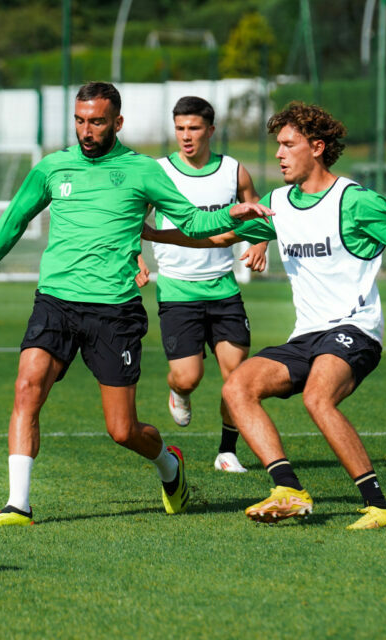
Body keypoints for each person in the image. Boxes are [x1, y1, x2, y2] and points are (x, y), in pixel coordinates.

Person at [0, 82, 272, 528]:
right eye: (79, 121)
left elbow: (191, 221)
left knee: (122, 430)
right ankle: (18, 505)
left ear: (118, 123)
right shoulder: (53, 168)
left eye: (97, 122)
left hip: (115, 312)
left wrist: (232, 215)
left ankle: (169, 465)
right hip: (55, 302)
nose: (86, 131)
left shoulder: (143, 171)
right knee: (28, 388)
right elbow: (14, 221)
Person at [144, 101, 386, 530]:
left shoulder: (352, 200)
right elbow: (221, 237)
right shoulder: (279, 202)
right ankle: (288, 489)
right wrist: (151, 234)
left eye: (288, 145)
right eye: (277, 145)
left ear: (317, 147)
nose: (278, 154)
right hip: (308, 336)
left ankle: (379, 507)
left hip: (354, 329)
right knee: (237, 387)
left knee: (318, 397)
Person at [135, 95, 269, 474]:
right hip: (178, 292)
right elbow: (133, 218)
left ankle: (227, 452)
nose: (186, 136)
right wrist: (136, 257)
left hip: (224, 289)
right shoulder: (158, 172)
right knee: (189, 376)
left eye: (193, 128)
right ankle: (178, 391)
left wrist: (259, 243)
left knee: (237, 376)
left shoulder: (233, 170)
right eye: (179, 129)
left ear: (211, 130)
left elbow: (256, 206)